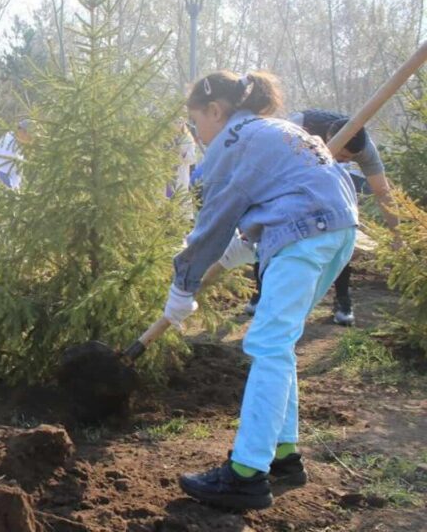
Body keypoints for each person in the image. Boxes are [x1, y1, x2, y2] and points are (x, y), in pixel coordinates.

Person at [168, 71, 358, 510]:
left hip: (305, 233)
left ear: (216, 111)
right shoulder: (278, 131)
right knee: (280, 343)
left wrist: (183, 285)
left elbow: (214, 221)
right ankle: (283, 455)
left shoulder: (233, 141)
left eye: (197, 122)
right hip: (336, 231)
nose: (197, 134)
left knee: (267, 345)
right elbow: (266, 211)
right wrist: (235, 254)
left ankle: (245, 475)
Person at [245, 109, 398, 326]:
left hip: (327, 180)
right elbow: (268, 164)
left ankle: (343, 300)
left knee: (340, 227)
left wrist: (397, 234)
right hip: (292, 175)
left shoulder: (365, 150)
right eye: (342, 156)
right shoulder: (295, 128)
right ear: (328, 139)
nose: (344, 162)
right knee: (270, 231)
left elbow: (383, 192)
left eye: (349, 160)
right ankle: (260, 293)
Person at [0, 119, 32, 190]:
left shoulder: (19, 143)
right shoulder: (9, 144)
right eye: (30, 136)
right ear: (22, 131)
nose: (31, 140)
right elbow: (2, 174)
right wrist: (13, 195)